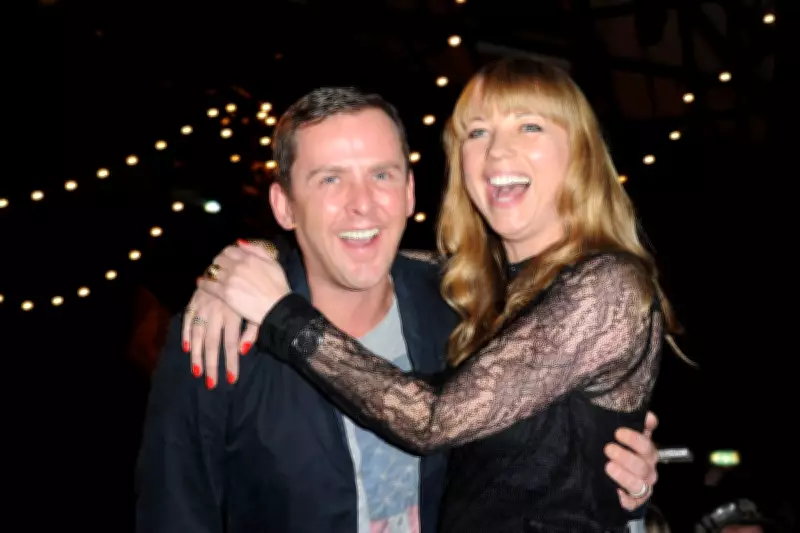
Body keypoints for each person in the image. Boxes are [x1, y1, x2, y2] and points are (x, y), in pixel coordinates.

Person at [137, 84, 660, 533]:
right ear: (284, 205)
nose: (362, 203)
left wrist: (618, 474)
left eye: (382, 175)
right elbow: (174, 514)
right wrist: (244, 258)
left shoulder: (459, 303)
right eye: (330, 179)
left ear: (410, 192)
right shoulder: (218, 337)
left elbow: (510, 438)